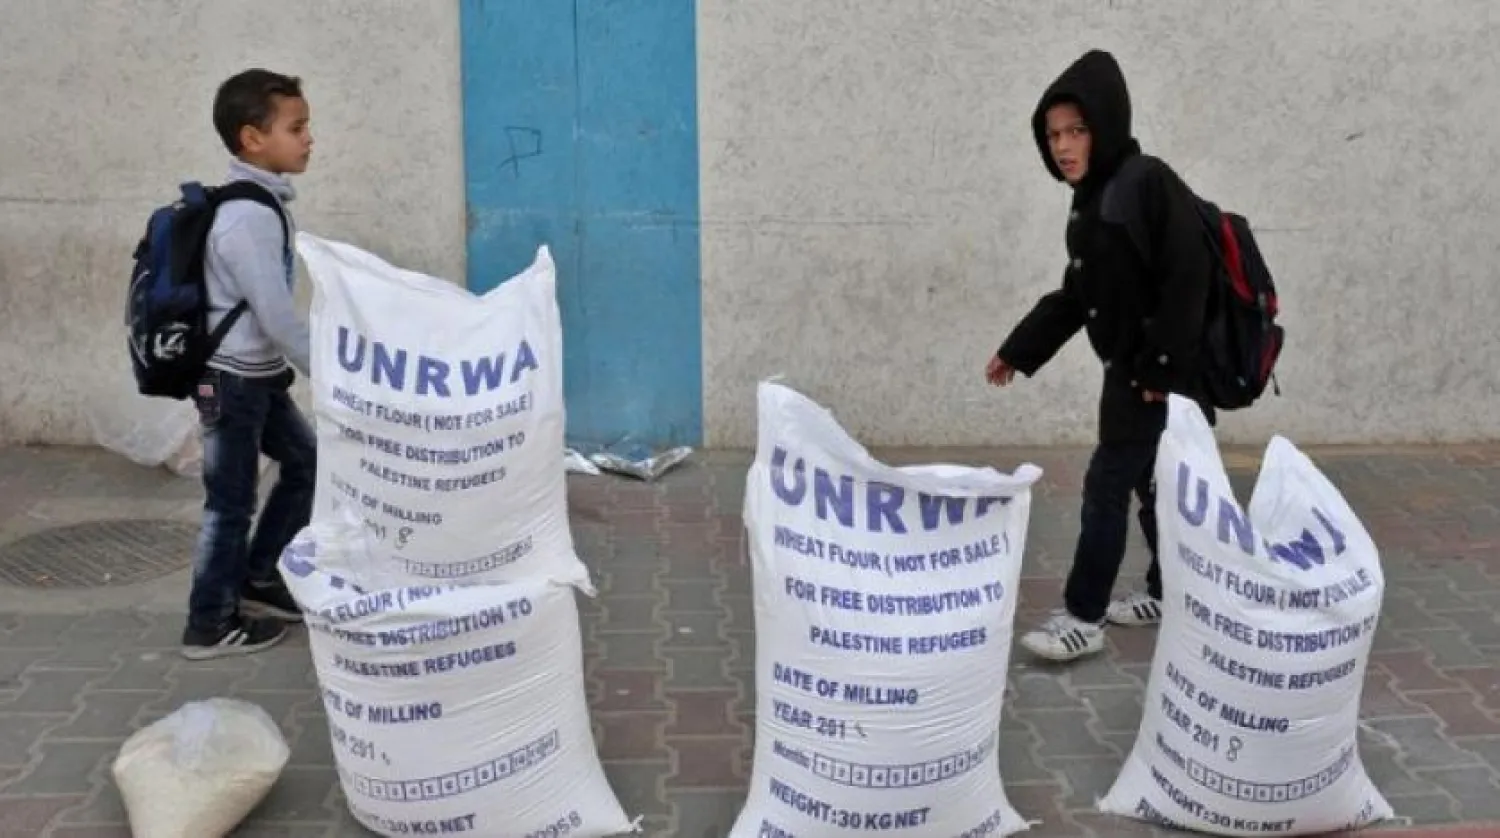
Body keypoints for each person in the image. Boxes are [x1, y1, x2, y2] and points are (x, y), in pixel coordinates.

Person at [986, 49, 1216, 662]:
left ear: (1106, 125)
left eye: (1077, 130)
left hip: (1157, 375)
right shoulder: (1093, 201)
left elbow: (1188, 274)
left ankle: (1084, 618)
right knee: (1156, 487)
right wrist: (1019, 349)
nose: (1063, 146)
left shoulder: (1145, 182)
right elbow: (1077, 295)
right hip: (1133, 372)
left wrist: (1161, 368)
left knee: (1106, 487)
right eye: (1053, 134)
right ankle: (1170, 592)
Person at [182, 68, 317, 660]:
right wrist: (334, 376)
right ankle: (209, 624)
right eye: (296, 128)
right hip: (231, 382)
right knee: (231, 502)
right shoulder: (247, 217)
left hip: (256, 378)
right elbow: (276, 316)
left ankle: (260, 577)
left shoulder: (264, 203)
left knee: (307, 461)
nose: (309, 139)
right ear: (252, 139)